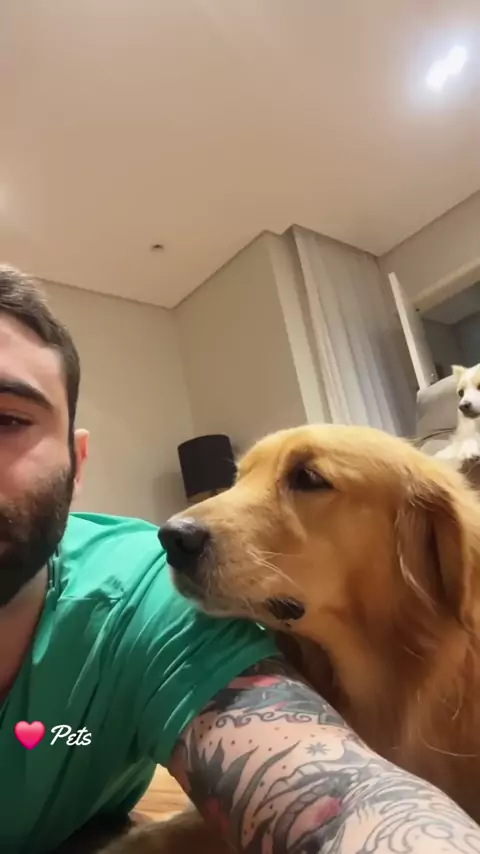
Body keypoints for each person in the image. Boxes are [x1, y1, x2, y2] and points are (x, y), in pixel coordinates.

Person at [0, 264, 478, 854]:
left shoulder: (142, 605)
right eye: (242, 480)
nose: (185, 529)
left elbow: (333, 797)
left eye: (7, 420)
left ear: (77, 462)